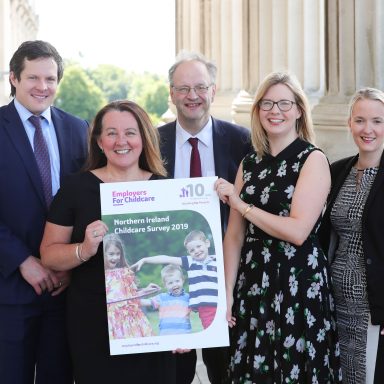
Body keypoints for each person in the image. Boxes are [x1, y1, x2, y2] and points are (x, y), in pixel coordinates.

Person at [215, 71, 342, 383]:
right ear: (257, 111)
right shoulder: (249, 163)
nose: (275, 111)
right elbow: (234, 235)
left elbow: (298, 231)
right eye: (267, 103)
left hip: (296, 283)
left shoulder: (312, 160)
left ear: (299, 109)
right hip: (253, 282)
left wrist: (242, 205)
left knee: (294, 369)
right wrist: (227, 292)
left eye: (284, 103)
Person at [40, 100, 177, 384]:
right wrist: (83, 249)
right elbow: (49, 255)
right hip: (92, 326)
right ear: (99, 141)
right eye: (111, 133)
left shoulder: (166, 189)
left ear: (143, 138)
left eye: (130, 132)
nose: (121, 141)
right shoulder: (76, 188)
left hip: (145, 329)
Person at [158, 50, 252, 384]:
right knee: (173, 374)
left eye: (200, 87)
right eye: (182, 89)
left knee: (225, 371)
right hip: (176, 281)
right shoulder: (154, 142)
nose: (192, 96)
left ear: (213, 91)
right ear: (171, 94)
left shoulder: (242, 141)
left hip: (228, 279)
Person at [0, 40, 88, 384]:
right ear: (13, 78)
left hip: (65, 292)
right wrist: (23, 261)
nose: (42, 87)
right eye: (33, 78)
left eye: (50, 79)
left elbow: (85, 201)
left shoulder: (77, 128)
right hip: (10, 289)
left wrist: (69, 261)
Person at [319, 87, 384, 384]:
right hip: (335, 301)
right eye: (360, 120)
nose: (367, 129)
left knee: (368, 374)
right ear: (349, 123)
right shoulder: (337, 171)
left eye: (377, 121)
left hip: (374, 304)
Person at [134, 230, 218, 329]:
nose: (196, 251)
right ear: (189, 253)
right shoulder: (190, 262)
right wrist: (145, 260)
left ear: (207, 243)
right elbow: (166, 258)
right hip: (206, 308)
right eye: (192, 250)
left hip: (221, 303)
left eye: (199, 246)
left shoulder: (217, 260)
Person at [104, 233, 159, 339]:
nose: (115, 257)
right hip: (112, 322)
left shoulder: (125, 273)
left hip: (130, 320)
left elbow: (131, 297)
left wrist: (146, 291)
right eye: (111, 254)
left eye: (118, 254)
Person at [140, 264, 192, 335]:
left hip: (184, 335)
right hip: (166, 335)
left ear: (182, 280)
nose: (174, 285)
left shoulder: (188, 298)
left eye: (177, 281)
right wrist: (141, 293)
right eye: (170, 283)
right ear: (165, 285)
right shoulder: (162, 298)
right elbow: (144, 302)